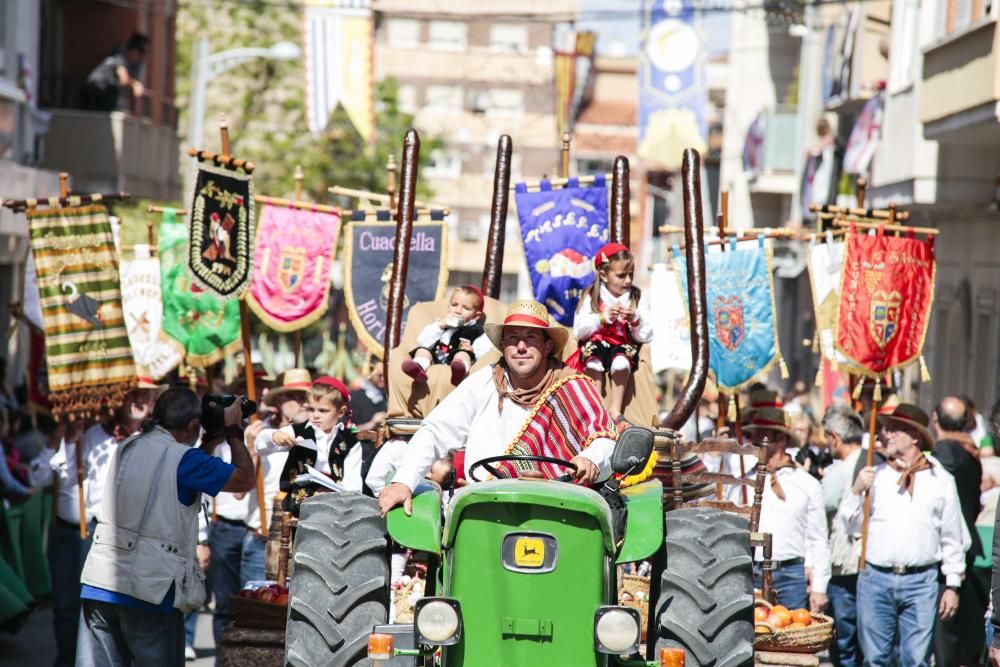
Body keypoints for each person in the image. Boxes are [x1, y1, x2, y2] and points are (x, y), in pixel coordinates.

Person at [378, 299, 618, 518]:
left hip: (558, 511)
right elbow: (435, 431)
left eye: (531, 338)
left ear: (547, 347)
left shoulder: (573, 386)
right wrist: (403, 481)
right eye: (513, 338)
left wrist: (590, 458)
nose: (520, 347)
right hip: (484, 509)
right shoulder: (482, 382)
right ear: (503, 346)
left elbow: (606, 439)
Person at [76, 388, 256, 667]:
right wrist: (233, 431)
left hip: (100, 583)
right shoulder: (186, 460)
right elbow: (244, 479)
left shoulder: (129, 445)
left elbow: (175, 472)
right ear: (192, 425)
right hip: (149, 591)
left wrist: (207, 442)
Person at [29, 386, 155, 667]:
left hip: (107, 536)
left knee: (101, 610)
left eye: (146, 396)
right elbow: (37, 479)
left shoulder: (140, 442)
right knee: (65, 607)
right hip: (67, 532)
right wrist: (63, 438)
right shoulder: (84, 434)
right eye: (134, 394)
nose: (139, 401)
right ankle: (66, 660)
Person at [848, 402, 970, 667]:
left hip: (921, 581)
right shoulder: (874, 475)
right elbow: (852, 528)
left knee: (916, 660)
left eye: (895, 429)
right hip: (875, 578)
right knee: (874, 659)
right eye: (885, 429)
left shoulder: (940, 479)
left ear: (915, 437)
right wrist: (856, 491)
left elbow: (953, 536)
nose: (886, 434)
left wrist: (952, 585)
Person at [244, 376, 359, 583]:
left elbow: (353, 484)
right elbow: (261, 444)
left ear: (340, 412)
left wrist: (334, 491)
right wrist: (274, 436)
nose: (315, 416)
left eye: (323, 411)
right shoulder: (298, 430)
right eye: (312, 409)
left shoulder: (350, 442)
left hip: (334, 508)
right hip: (298, 503)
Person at [744, 405, 830, 613]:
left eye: (763, 436)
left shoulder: (807, 484)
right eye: (755, 436)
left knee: (790, 640)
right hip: (748, 572)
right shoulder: (743, 479)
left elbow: (818, 538)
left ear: (781, 439)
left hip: (790, 576)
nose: (755, 442)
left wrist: (819, 587)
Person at [571, 243, 653, 420]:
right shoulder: (591, 296)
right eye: (621, 276)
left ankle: (616, 410)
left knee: (621, 363)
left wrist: (635, 320)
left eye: (631, 274)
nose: (628, 281)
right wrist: (601, 318)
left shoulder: (636, 297)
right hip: (596, 344)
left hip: (623, 345)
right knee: (592, 360)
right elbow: (579, 331)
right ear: (603, 275)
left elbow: (647, 335)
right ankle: (597, 404)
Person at [931, 396, 985, 667]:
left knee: (946, 633)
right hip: (969, 545)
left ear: (934, 419)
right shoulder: (970, 451)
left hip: (951, 549)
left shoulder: (942, 455)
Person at [821, 405, 866, 667]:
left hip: (845, 561)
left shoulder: (840, 470)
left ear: (835, 437)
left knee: (844, 637)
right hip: (864, 561)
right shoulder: (877, 461)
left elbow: (822, 507)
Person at [401, 285, 491, 386]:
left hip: (455, 364)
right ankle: (418, 369)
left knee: (462, 354)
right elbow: (422, 341)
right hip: (435, 360)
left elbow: (485, 353)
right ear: (448, 307)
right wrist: (440, 326)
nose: (458, 310)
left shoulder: (477, 331)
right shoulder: (440, 324)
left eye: (466, 308)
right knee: (422, 350)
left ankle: (460, 372)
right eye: (454, 305)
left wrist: (472, 351)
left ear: (476, 315)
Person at [80, 33, 147, 112]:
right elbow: (124, 80)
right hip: (95, 91)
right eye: (139, 56)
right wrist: (135, 84)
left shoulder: (122, 58)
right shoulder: (119, 57)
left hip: (98, 92)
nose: (138, 60)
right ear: (134, 51)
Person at [350, 361, 387, 431]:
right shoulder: (354, 398)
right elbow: (346, 430)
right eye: (380, 375)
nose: (383, 379)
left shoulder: (388, 398)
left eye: (386, 375)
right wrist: (370, 425)